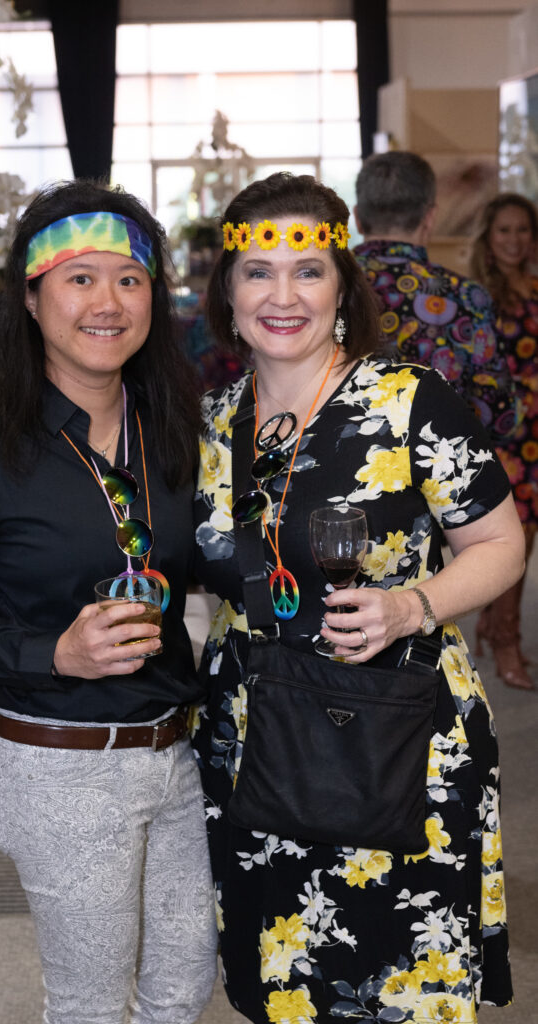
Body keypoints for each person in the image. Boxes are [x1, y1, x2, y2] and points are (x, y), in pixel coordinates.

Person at [192, 171, 524, 1024]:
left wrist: (412, 604)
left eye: (306, 271)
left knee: (399, 986)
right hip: (254, 740)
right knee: (284, 986)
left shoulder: (410, 402)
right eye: (256, 272)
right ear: (226, 294)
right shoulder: (208, 421)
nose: (282, 294)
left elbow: (499, 547)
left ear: (341, 285)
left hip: (395, 733)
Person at [0, 179, 217, 1024]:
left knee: (183, 989)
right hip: (60, 764)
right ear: (32, 298)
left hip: (178, 752)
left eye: (129, 277)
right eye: (79, 278)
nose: (107, 302)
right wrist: (54, 653)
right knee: (88, 1005)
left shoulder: (175, 432)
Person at [353, 151, 519, 445]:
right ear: (430, 217)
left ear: (358, 218)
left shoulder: (323, 288)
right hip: (438, 479)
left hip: (336, 473)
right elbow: (498, 417)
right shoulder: (466, 297)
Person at [470, 192, 538, 690]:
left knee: (527, 538)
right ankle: (506, 640)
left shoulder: (536, 289)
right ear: (489, 241)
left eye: (522, 230)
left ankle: (494, 626)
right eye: (504, 231)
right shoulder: (480, 298)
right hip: (505, 435)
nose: (515, 240)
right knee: (514, 536)